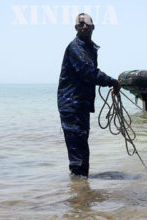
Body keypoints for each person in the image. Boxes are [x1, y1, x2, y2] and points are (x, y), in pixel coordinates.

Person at [57, 13, 120, 177]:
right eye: (80, 24)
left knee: (81, 144)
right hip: (71, 103)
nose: (84, 26)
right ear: (76, 28)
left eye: (87, 24)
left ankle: (81, 188)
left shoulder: (89, 47)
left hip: (81, 104)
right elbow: (87, 71)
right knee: (77, 148)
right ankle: (79, 189)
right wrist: (111, 81)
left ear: (93, 27)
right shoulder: (75, 48)